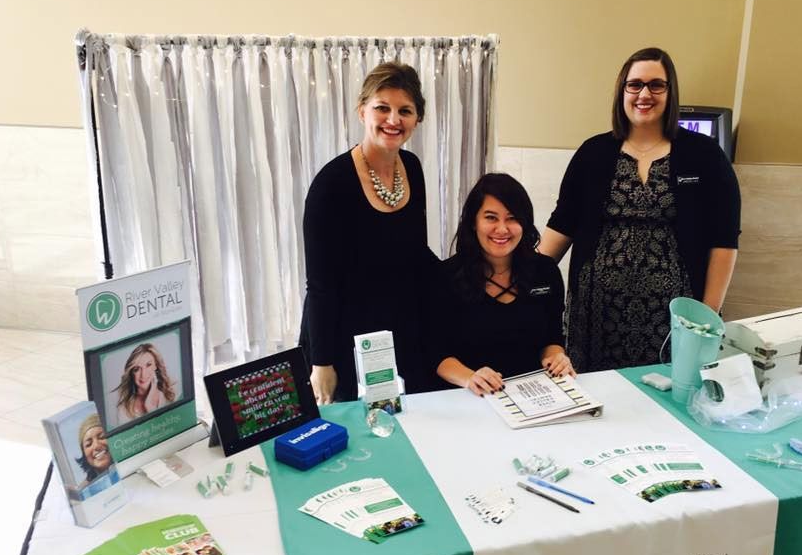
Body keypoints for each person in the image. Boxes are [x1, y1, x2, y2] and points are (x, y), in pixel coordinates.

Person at [539, 47, 741, 371]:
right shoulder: (593, 153)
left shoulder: (704, 156)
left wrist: (706, 318)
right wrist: (518, 279)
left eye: (656, 85)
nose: (644, 94)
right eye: (635, 85)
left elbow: (725, 240)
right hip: (595, 317)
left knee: (663, 402)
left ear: (669, 92)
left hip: (675, 318)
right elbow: (562, 225)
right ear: (622, 91)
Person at [301, 61, 437, 403]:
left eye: (404, 110)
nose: (393, 120)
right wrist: (322, 362)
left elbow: (416, 254)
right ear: (362, 112)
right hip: (343, 337)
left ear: (417, 119)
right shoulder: (331, 184)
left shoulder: (414, 170)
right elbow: (319, 285)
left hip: (399, 332)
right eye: (382, 108)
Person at [432, 173, 575, 395]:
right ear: (473, 222)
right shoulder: (446, 275)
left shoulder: (545, 271)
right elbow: (437, 354)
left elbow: (552, 338)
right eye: (491, 217)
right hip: (468, 398)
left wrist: (556, 358)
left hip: (533, 394)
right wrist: (471, 378)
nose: (502, 229)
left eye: (512, 218)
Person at [112, 342, 177, 423]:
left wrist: (150, 407)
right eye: (137, 369)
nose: (143, 374)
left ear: (155, 366)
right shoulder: (124, 409)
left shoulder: (170, 394)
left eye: (148, 365)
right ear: (132, 373)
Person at [75, 413, 113, 483]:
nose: (96, 446)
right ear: (84, 455)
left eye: (102, 437)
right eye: (89, 444)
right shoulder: (83, 491)